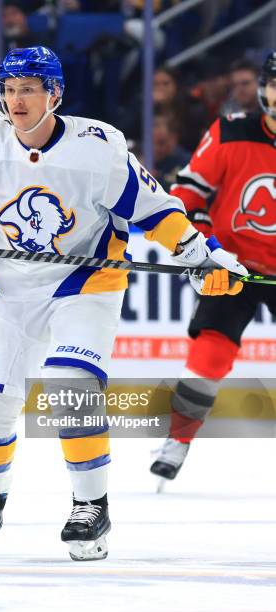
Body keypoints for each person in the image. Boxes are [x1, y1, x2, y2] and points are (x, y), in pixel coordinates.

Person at [0, 46, 246, 560]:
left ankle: (91, 508)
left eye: (29, 88)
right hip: (13, 290)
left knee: (71, 387)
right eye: (9, 88)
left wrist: (202, 256)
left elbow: (156, 210)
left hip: (84, 284)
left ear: (55, 94)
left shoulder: (98, 146)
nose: (16, 99)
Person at [150, 52, 276, 483]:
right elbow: (187, 193)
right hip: (233, 264)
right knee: (212, 349)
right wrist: (208, 247)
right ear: (263, 88)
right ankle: (179, 439)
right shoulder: (230, 129)